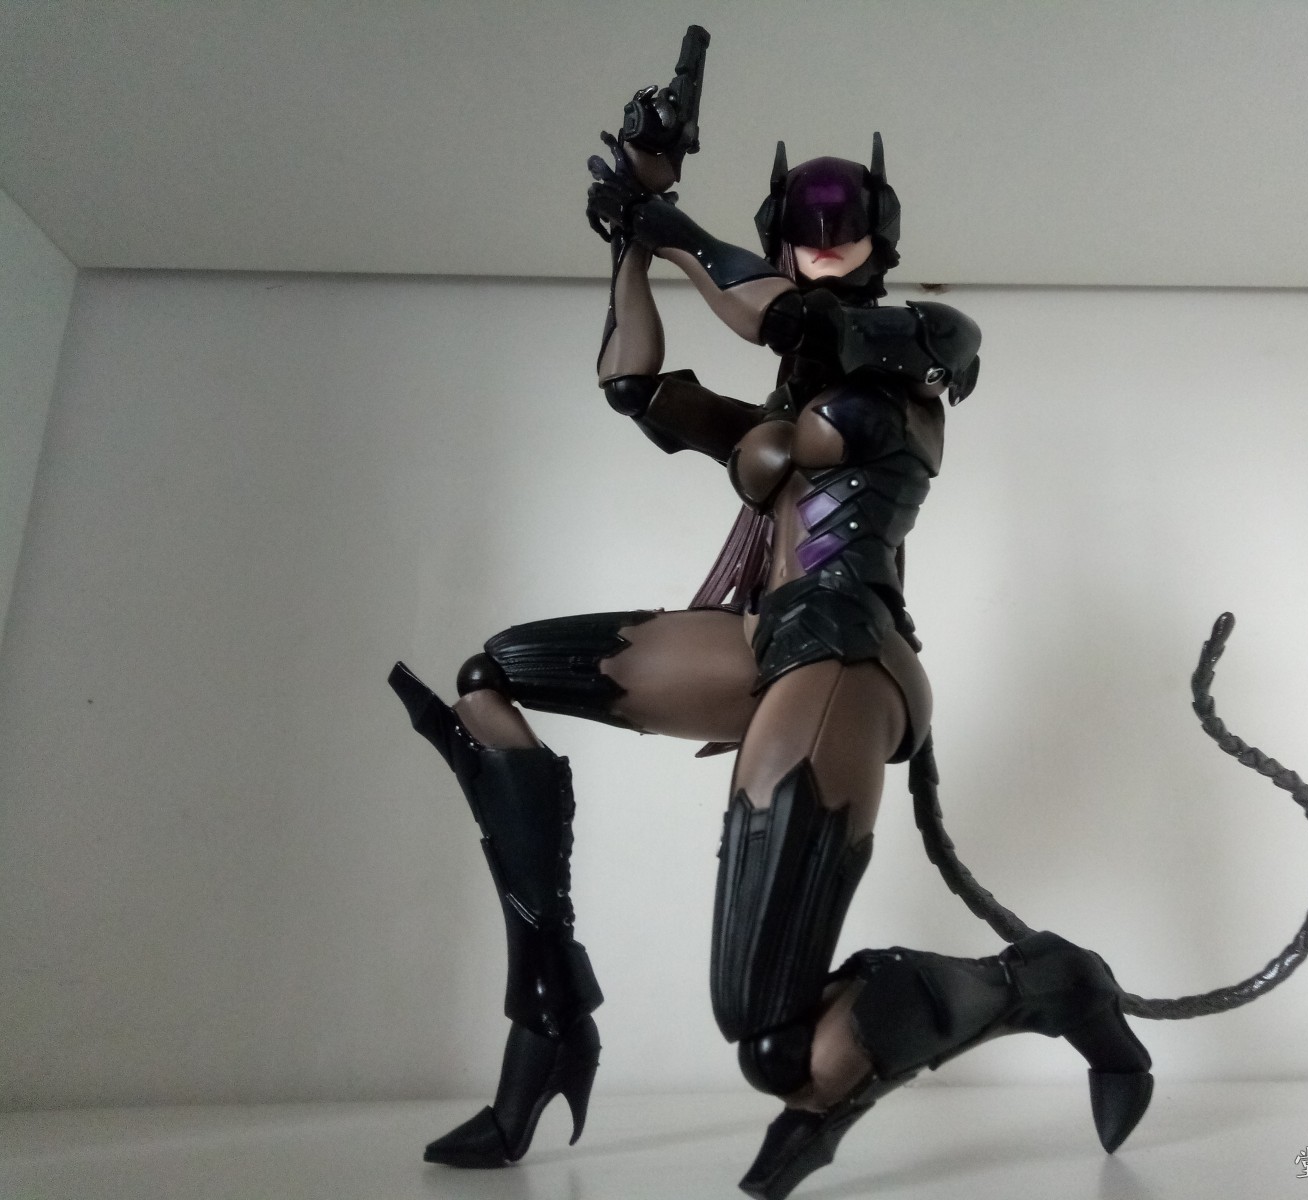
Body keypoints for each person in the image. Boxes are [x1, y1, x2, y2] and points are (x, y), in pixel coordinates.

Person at [387, 127, 1151, 1199]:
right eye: (803, 222)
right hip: (765, 638)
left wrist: (666, 223)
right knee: (494, 679)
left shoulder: (919, 340)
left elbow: (783, 317)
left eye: (845, 220)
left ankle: (1051, 982)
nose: (823, 235)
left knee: (774, 1042)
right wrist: (627, 242)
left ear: (881, 234)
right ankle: (551, 1014)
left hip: (846, 648)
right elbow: (632, 384)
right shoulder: (784, 407)